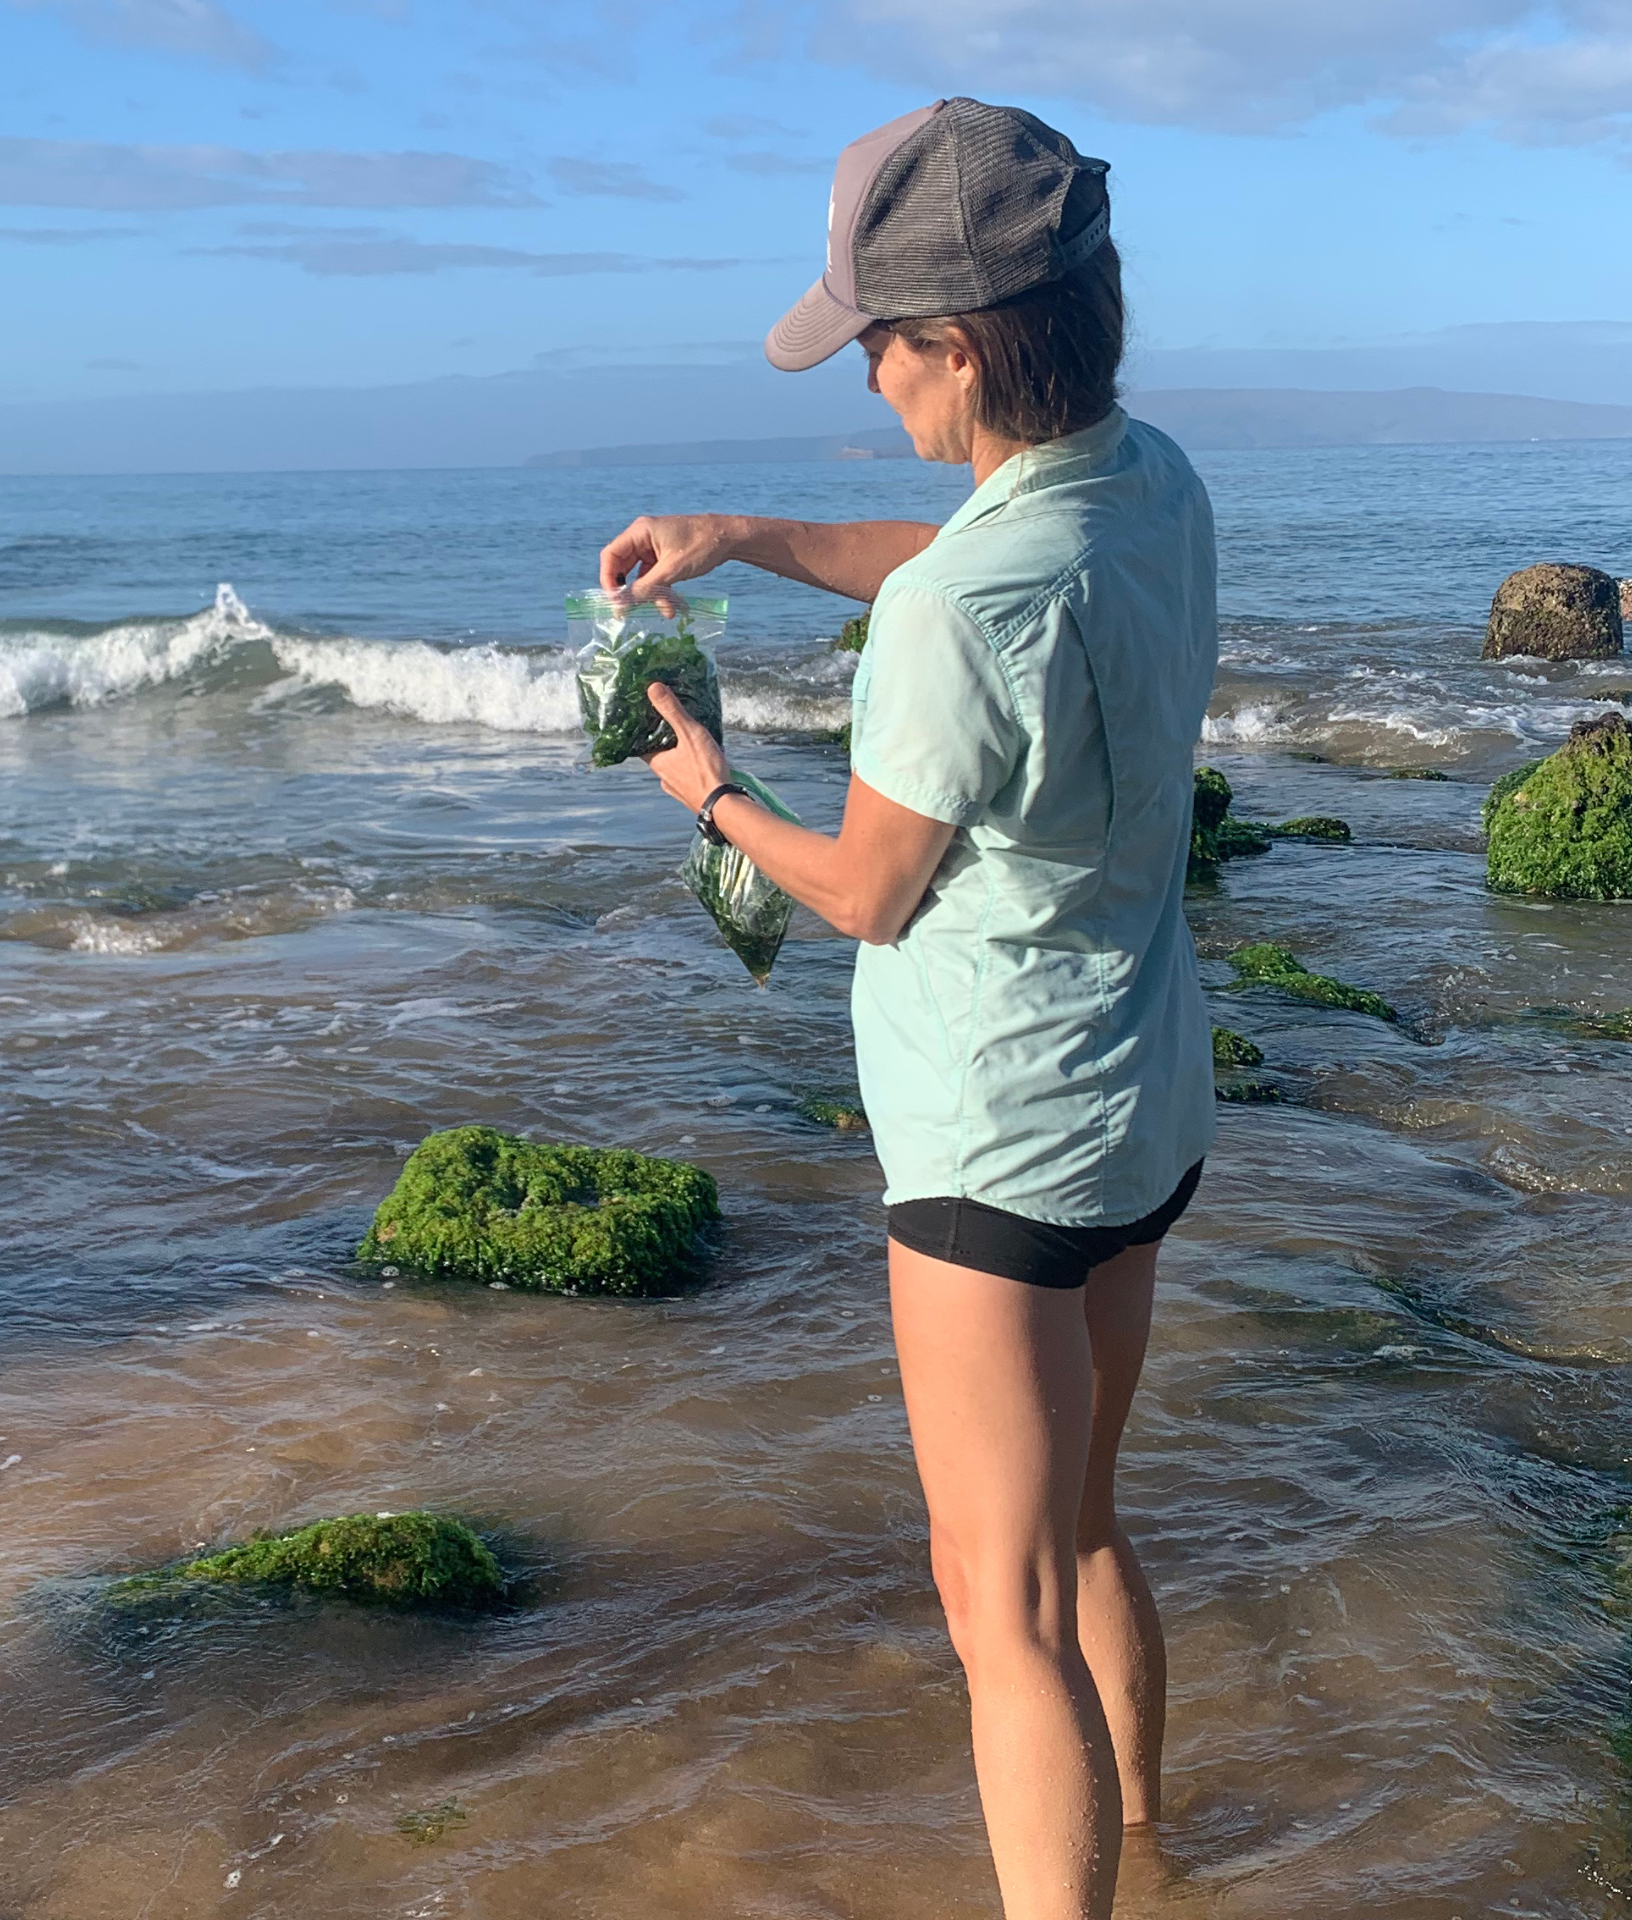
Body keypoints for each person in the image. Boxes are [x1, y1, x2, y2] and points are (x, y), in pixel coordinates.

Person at [594, 99, 1219, 1920]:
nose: (866, 380)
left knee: (994, 1611)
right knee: (1086, 1523)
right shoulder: (1151, 479)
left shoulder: (963, 614)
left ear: (954, 345)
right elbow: (960, 560)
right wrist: (745, 534)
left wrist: (709, 795)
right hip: (1141, 1103)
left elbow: (868, 889)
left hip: (995, 1145)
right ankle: (1161, 1849)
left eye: (875, 346)